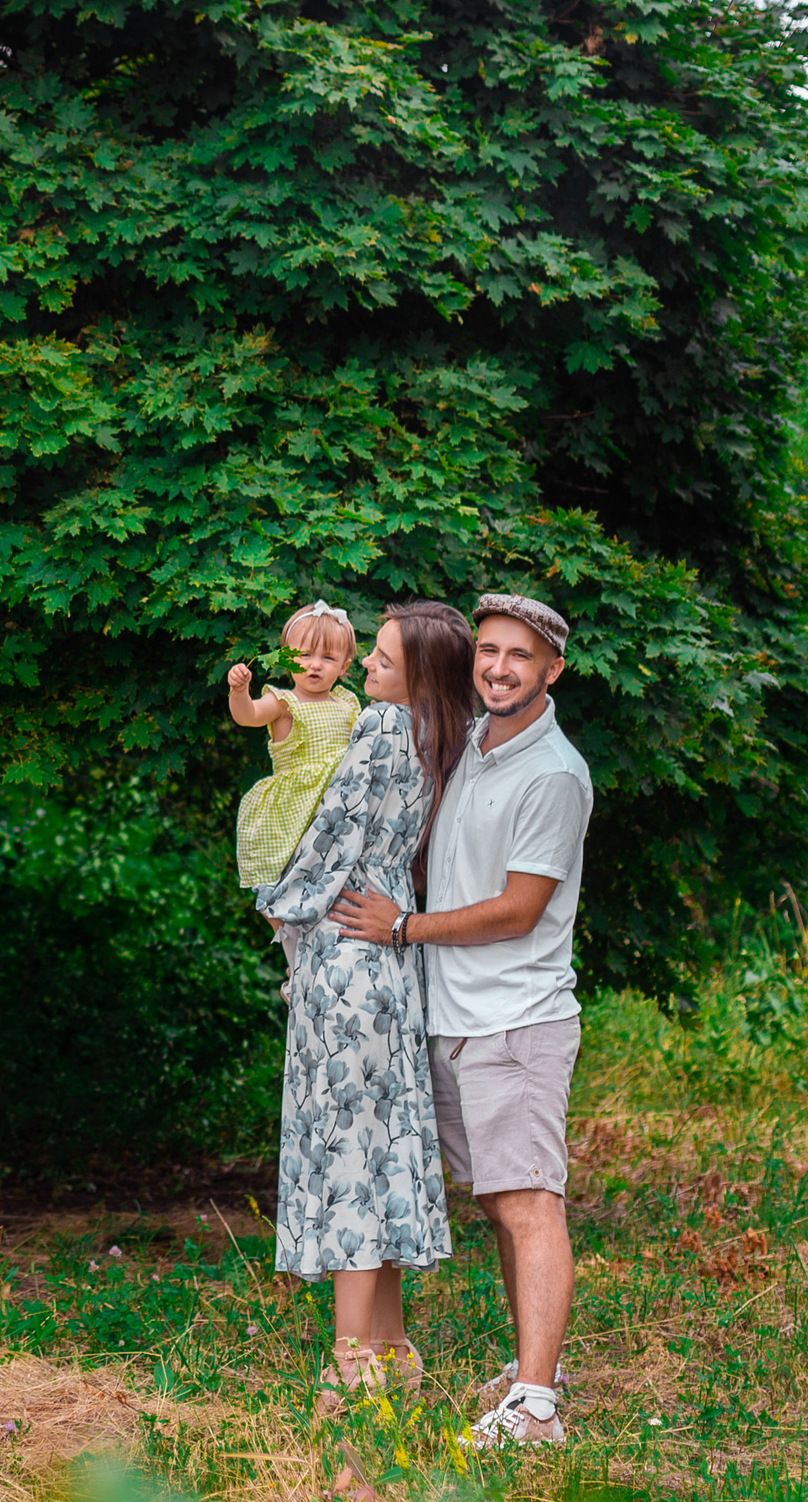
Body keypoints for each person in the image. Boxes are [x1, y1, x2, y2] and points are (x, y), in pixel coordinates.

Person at [331, 593, 592, 1448]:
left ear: (552, 670)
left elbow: (519, 908)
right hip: (458, 1017)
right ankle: (534, 1369)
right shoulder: (478, 743)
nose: (500, 667)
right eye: (489, 650)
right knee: (502, 1203)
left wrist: (402, 927)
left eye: (521, 655)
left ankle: (538, 1407)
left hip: (516, 1019)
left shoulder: (552, 772)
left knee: (530, 1204)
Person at [254, 599, 474, 1409]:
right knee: (377, 1148)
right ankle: (390, 1347)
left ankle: (353, 1368)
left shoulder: (384, 728)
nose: (369, 667)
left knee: (348, 1153)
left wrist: (280, 902)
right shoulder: (439, 736)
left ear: (418, 672)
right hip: (388, 964)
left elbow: (332, 835)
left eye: (383, 658)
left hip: (348, 952)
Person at [225, 600, 363, 892]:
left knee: (335, 876)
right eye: (304, 655)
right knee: (288, 876)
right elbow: (247, 715)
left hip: (338, 804)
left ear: (343, 667)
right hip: (296, 807)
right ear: (287, 659)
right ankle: (282, 927)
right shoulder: (283, 702)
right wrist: (239, 691)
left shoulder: (347, 703)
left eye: (328, 658)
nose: (315, 664)